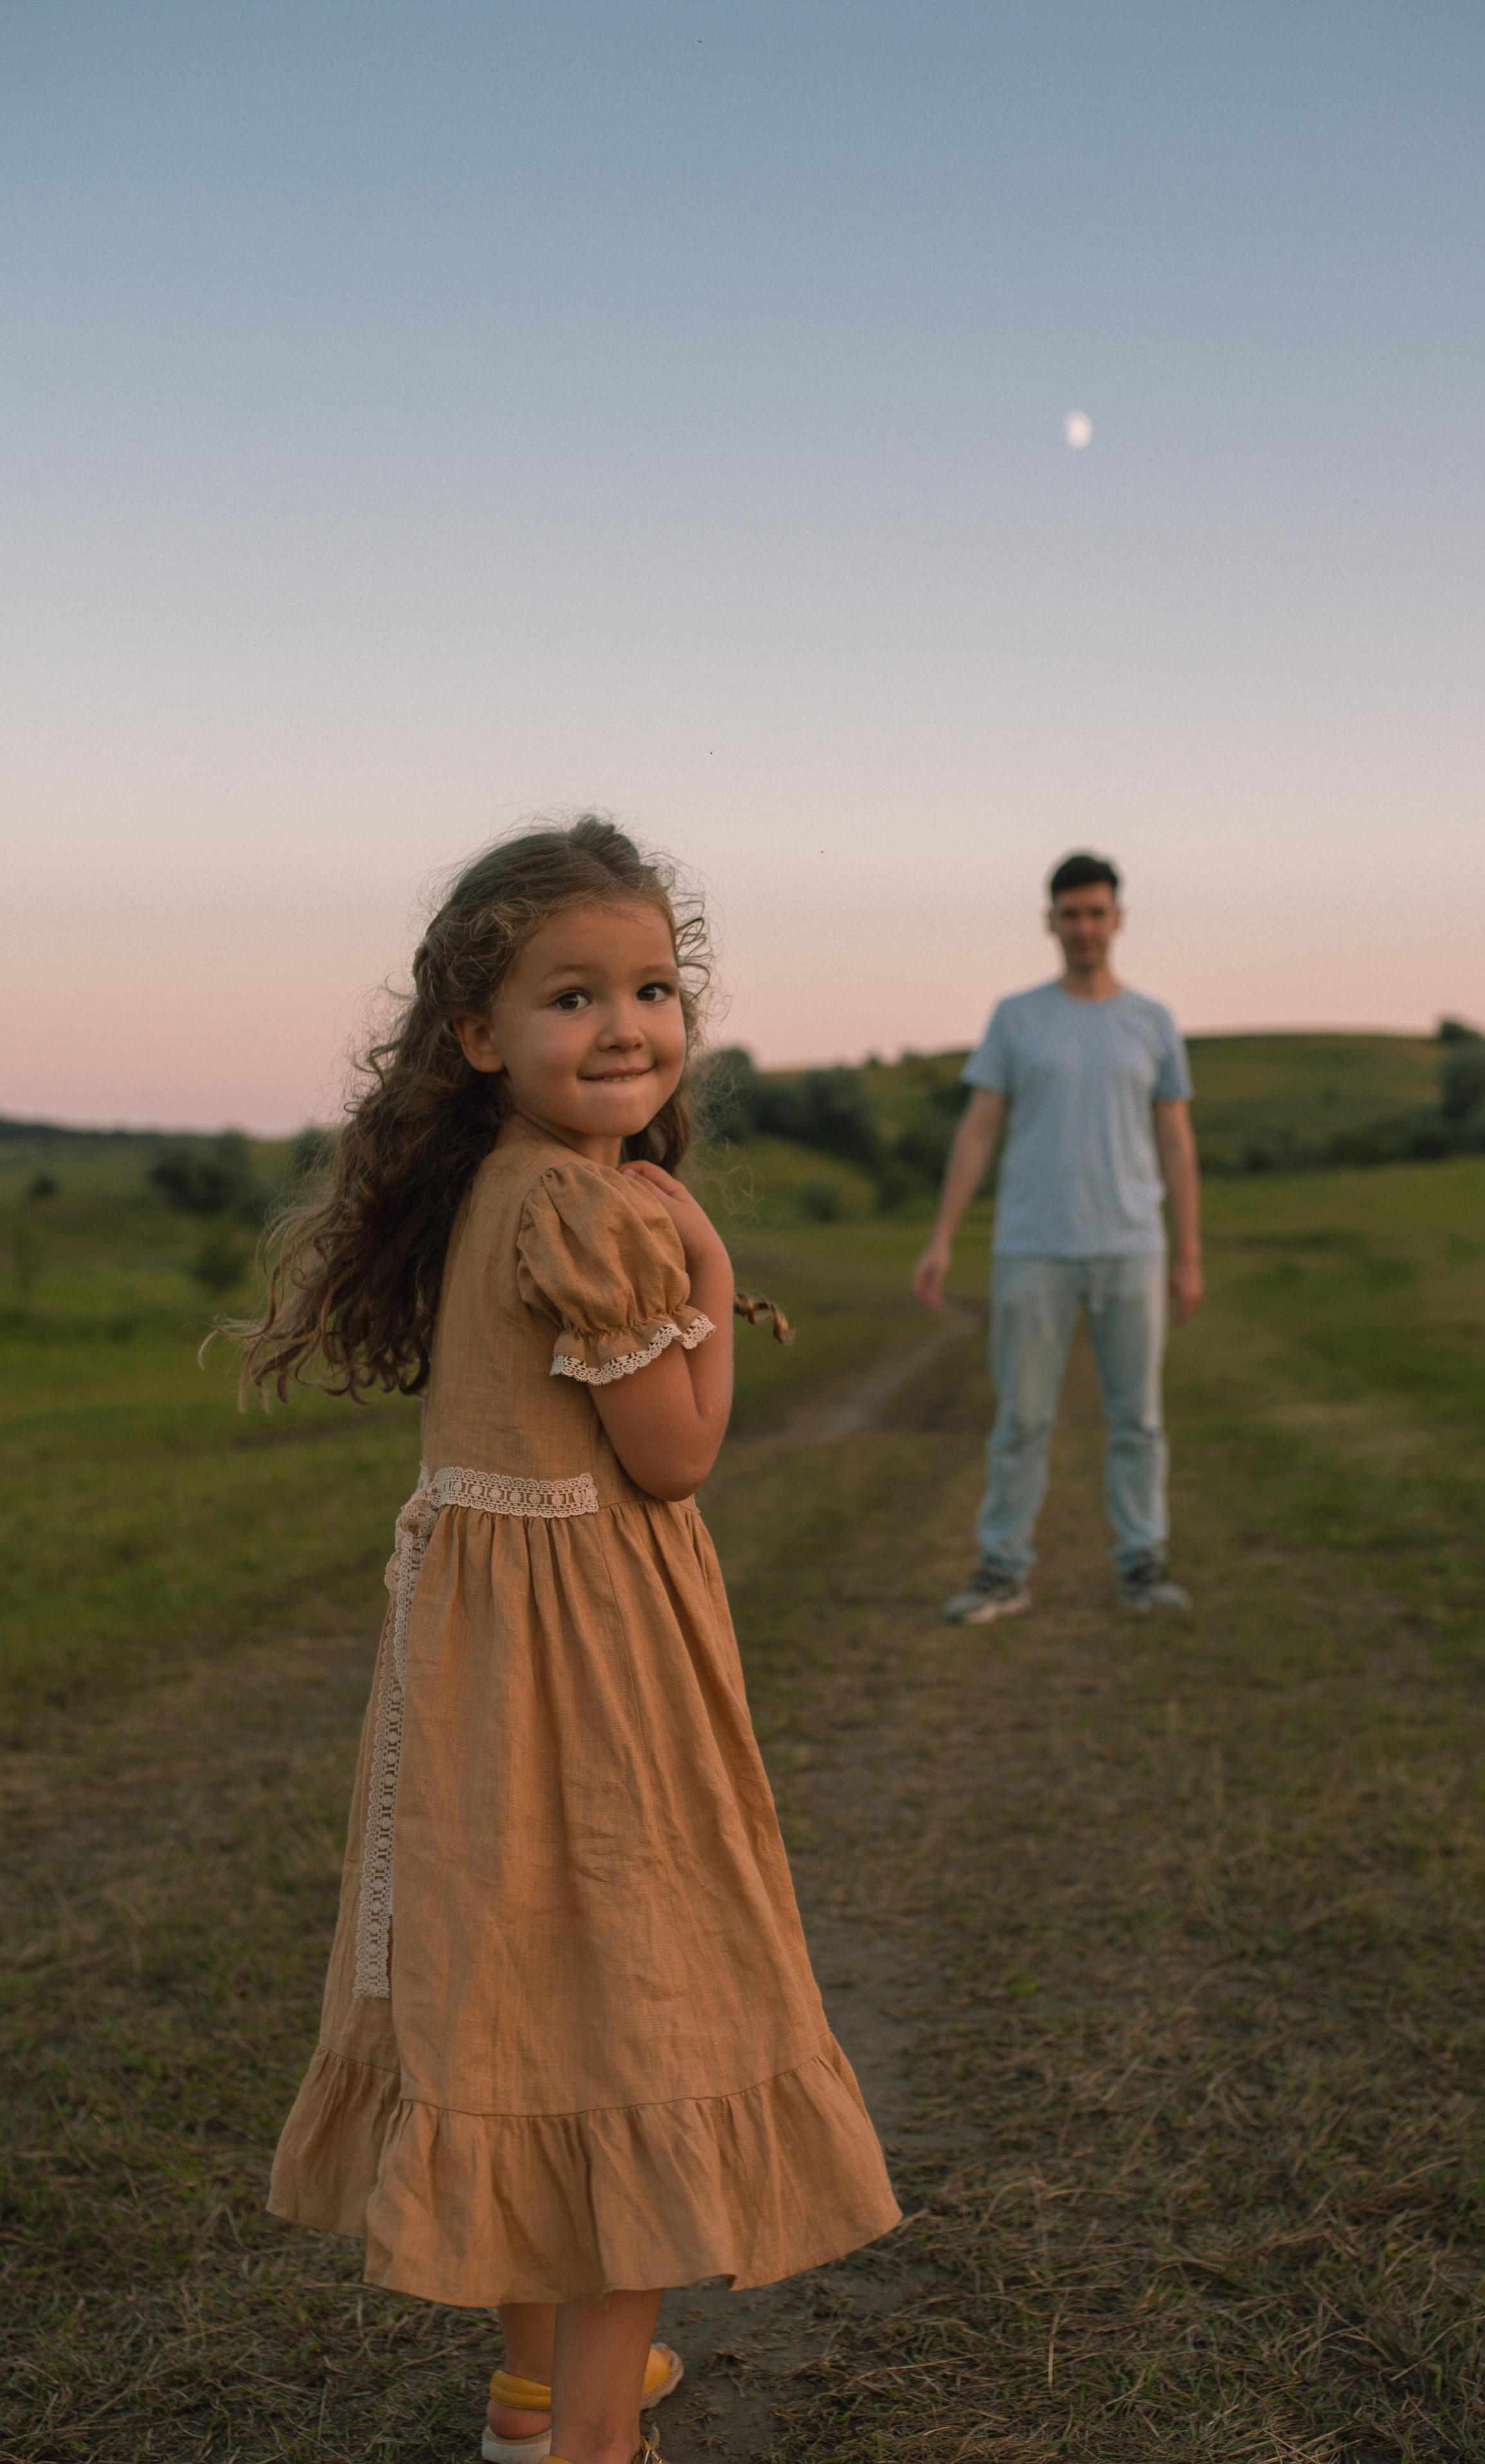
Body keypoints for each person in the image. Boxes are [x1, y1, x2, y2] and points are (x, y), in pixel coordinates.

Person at [232, 818, 899, 2464]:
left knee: (527, 2000)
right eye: (571, 995)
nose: (624, 1024)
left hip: (486, 1671)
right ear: (478, 1034)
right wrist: (714, 1269)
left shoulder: (507, 1185)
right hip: (588, 1672)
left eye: (654, 987)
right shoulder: (593, 1216)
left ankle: (534, 2394)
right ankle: (588, 2439)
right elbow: (670, 1455)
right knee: (635, 2015)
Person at [914, 852, 1202, 1620]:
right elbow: (978, 1131)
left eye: (1096, 913)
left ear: (1118, 920)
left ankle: (1143, 1565)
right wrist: (942, 1237)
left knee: (1138, 1421)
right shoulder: (1017, 1018)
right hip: (1031, 1248)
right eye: (1070, 914)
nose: (1084, 928)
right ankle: (1002, 1570)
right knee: (1021, 1421)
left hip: (1132, 1245)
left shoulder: (1151, 1022)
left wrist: (1189, 1255)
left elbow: (1176, 1142)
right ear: (1050, 922)